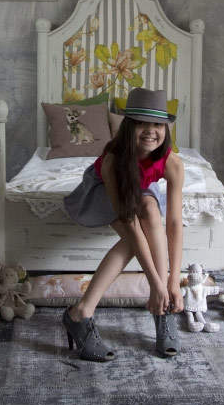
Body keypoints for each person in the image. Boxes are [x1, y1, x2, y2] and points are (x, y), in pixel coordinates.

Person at [62, 88, 185, 361]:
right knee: (135, 235)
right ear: (129, 126)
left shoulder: (173, 163)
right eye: (142, 123)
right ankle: (82, 312)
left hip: (137, 192)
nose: (151, 131)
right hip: (102, 191)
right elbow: (129, 223)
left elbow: (175, 223)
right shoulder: (113, 160)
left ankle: (161, 308)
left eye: (158, 124)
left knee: (151, 209)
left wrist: (173, 282)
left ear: (166, 128)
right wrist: (156, 284)